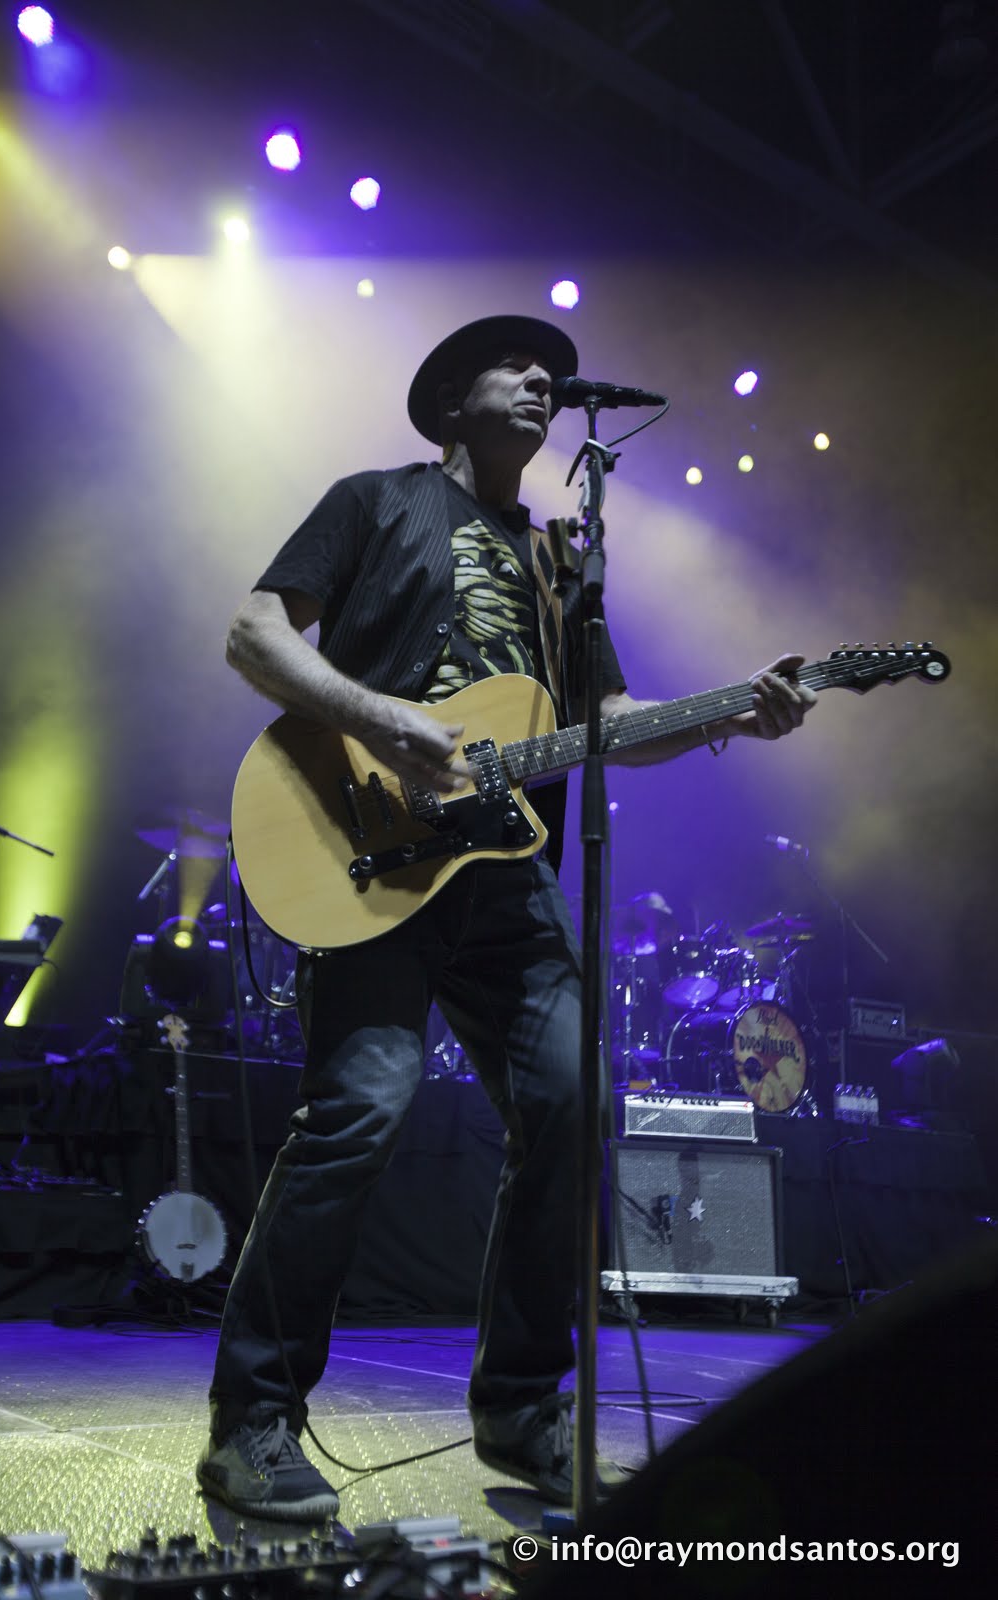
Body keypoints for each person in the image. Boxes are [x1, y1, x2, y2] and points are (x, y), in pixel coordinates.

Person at [198, 314, 816, 1520]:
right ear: (450, 402)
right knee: (357, 1112)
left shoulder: (557, 561)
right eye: (512, 365)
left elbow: (610, 724)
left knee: (570, 1103)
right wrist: (379, 718)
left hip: (507, 876)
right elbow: (253, 632)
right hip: (370, 853)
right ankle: (252, 1417)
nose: (541, 379)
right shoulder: (375, 501)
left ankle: (523, 1407)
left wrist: (734, 713)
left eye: (551, 373)